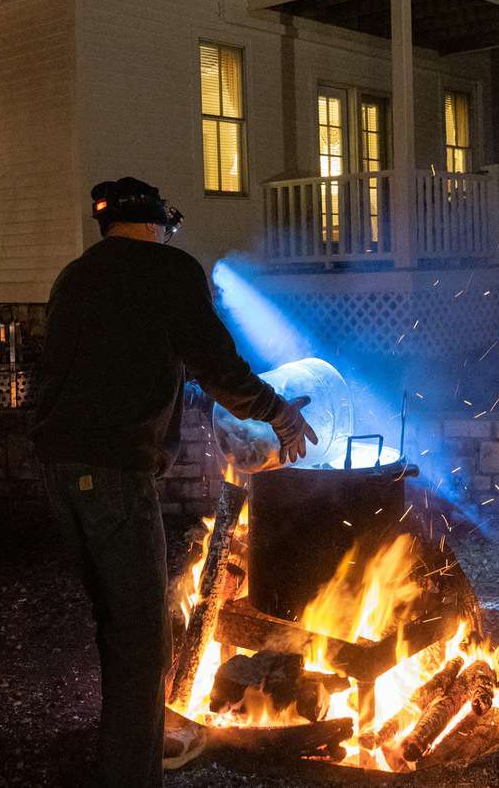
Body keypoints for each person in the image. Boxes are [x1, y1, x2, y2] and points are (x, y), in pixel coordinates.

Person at [29, 177, 317, 787]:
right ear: (158, 224)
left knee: (117, 622)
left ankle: (121, 755)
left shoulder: (75, 276)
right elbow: (218, 363)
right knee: (141, 638)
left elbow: (100, 366)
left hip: (58, 468)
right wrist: (278, 413)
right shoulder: (168, 270)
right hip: (112, 475)